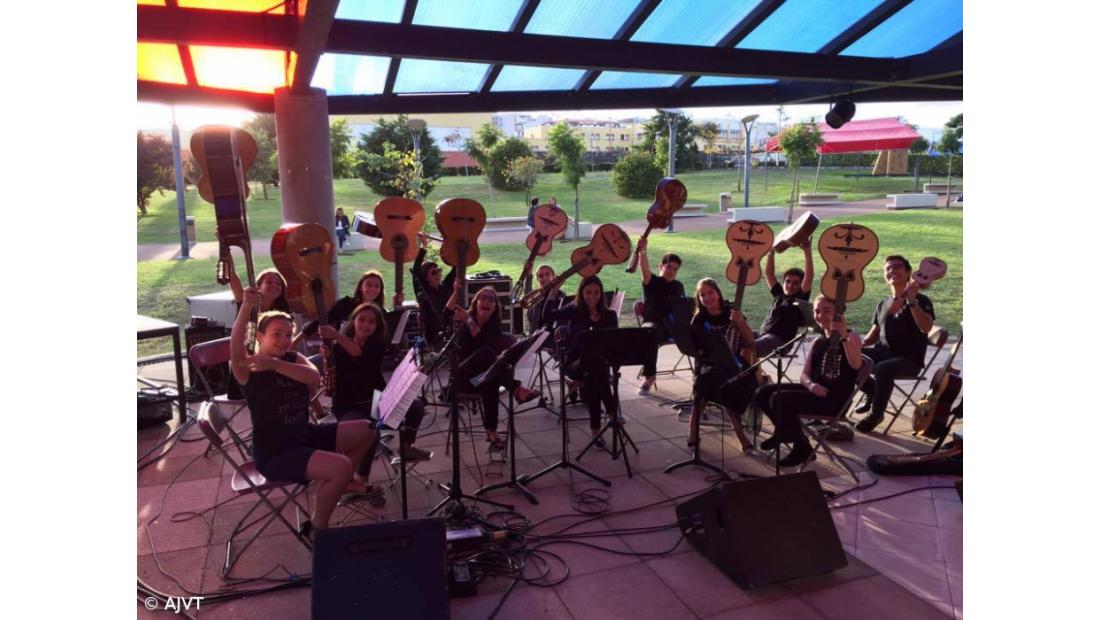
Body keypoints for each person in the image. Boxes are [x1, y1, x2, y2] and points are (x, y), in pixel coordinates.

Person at [229, 286, 376, 537]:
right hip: (276, 453)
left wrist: (275, 364)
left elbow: (314, 376)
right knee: (340, 467)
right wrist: (245, 307)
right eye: (276, 334)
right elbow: (235, 346)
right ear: (260, 337)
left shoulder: (291, 358)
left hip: (304, 434)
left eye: (288, 334)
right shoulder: (248, 367)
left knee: (369, 429)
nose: (284, 340)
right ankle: (317, 528)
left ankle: (338, 483)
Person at [320, 302, 431, 486]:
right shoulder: (338, 346)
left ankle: (406, 447)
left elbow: (358, 353)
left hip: (375, 400)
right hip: (349, 405)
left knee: (416, 407)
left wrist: (336, 336)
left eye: (371, 322)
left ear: (377, 326)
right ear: (353, 321)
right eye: (361, 319)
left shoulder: (377, 345)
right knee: (369, 430)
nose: (365, 325)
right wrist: (326, 357)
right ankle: (361, 478)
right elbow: (332, 372)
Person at [751, 295, 863, 466]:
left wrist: (842, 335)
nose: (821, 315)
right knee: (762, 392)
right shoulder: (818, 341)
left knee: (779, 399)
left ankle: (800, 446)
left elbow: (856, 364)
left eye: (827, 311)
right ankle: (787, 432)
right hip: (815, 391)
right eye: (817, 311)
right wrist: (812, 385)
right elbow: (804, 376)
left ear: (838, 314)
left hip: (834, 399)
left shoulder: (851, 336)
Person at [446, 284, 538, 451]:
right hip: (462, 379)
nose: (487, 301)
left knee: (492, 378)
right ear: (476, 302)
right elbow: (445, 316)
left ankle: (491, 432)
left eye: (491, 299)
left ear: (495, 307)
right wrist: (467, 319)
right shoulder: (463, 320)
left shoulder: (494, 328)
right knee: (488, 356)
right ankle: (517, 389)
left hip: (482, 378)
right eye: (483, 297)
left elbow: (485, 343)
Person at [853, 255, 936, 433]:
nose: (892, 271)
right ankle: (871, 392)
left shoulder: (921, 300)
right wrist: (857, 345)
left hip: (908, 360)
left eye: (897, 267)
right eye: (888, 268)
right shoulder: (882, 303)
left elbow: (926, 327)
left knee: (883, 368)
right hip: (883, 354)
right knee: (847, 356)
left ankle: (876, 414)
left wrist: (912, 301)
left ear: (908, 273)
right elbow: (873, 335)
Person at [546, 276, 619, 447]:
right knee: (594, 371)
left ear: (601, 294)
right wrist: (554, 290)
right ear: (581, 293)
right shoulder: (574, 310)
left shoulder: (610, 315)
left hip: (597, 367)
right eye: (587, 292)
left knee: (592, 377)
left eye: (596, 293)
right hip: (574, 364)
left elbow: (615, 342)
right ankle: (612, 413)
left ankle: (596, 431)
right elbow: (548, 316)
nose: (592, 297)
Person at [688, 278, 757, 451]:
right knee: (707, 380)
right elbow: (695, 349)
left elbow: (749, 341)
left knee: (728, 384)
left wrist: (741, 322)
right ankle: (693, 429)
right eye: (702, 294)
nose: (707, 297)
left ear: (718, 293)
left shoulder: (732, 311)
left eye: (710, 292)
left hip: (735, 363)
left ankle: (739, 433)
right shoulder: (698, 319)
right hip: (710, 364)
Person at [636, 237, 687, 394]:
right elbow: (644, 268)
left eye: (675, 269)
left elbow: (683, 308)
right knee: (649, 333)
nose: (671, 271)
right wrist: (642, 251)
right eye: (669, 267)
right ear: (661, 266)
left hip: (672, 327)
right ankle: (649, 377)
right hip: (653, 324)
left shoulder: (678, 286)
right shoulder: (652, 281)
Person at [755, 238, 814, 356]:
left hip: (780, 342)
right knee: (738, 335)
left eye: (796, 283)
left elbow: (809, 277)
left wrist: (807, 251)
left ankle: (752, 373)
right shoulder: (779, 294)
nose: (790, 285)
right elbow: (769, 274)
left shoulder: (800, 297)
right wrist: (771, 252)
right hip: (763, 335)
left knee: (750, 346)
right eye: (787, 281)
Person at [411, 232, 455, 348]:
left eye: (439, 271)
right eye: (433, 272)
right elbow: (416, 270)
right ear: (426, 277)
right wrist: (424, 246)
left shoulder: (445, 287)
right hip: (434, 338)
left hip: (451, 332)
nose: (438, 274)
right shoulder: (422, 291)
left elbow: (457, 268)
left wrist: (454, 247)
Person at [327, 270, 403, 330]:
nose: (372, 289)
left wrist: (396, 306)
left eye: (376, 286)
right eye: (369, 285)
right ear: (360, 287)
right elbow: (327, 322)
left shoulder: (381, 312)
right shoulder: (344, 304)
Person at [525, 264, 566, 334]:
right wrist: (528, 275)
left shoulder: (561, 296)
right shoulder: (535, 297)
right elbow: (527, 293)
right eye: (540, 276)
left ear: (553, 276)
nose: (544, 278)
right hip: (534, 338)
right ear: (537, 279)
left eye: (548, 274)